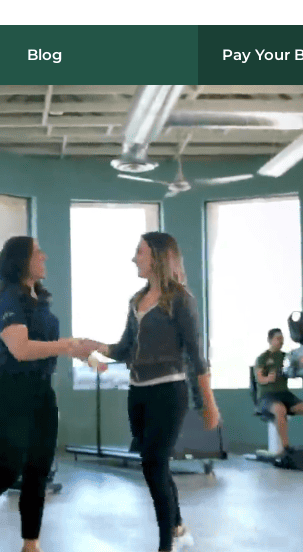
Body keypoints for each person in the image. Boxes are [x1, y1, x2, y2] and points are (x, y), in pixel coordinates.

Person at [80, 232, 220, 552]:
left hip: (169, 392)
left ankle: (165, 545)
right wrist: (95, 346)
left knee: (154, 464)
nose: (134, 258)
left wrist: (209, 404)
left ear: (157, 256)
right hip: (138, 393)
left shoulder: (181, 300)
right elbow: (124, 349)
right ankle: (179, 527)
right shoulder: (135, 301)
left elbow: (197, 355)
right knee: (154, 465)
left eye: (139, 252)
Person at [0, 236, 87, 552]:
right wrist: (66, 346)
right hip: (10, 392)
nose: (44, 256)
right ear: (22, 260)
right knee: (8, 468)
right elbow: (20, 349)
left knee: (39, 468)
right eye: (38, 252)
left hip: (40, 392)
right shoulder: (7, 298)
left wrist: (73, 347)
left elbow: (41, 346)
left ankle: (31, 543)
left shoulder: (41, 300)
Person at [255, 328, 303, 454]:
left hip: (285, 395)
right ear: (270, 340)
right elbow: (260, 378)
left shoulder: (286, 357)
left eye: (282, 339)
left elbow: (298, 364)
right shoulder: (262, 358)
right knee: (280, 409)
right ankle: (285, 448)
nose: (281, 341)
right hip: (267, 397)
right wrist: (268, 378)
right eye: (278, 338)